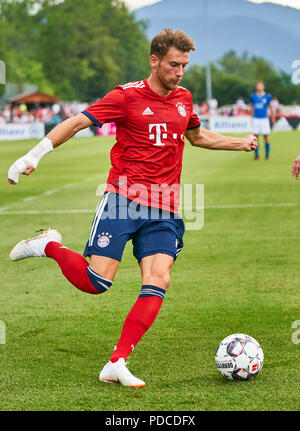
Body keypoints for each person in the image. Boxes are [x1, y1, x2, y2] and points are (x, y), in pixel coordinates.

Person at [7, 28, 257, 388]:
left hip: (164, 208)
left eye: (185, 65)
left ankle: (117, 361)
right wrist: (33, 156)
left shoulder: (184, 99)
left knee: (159, 279)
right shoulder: (125, 97)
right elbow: (78, 122)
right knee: (96, 282)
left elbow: (197, 136)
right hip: (123, 199)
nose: (180, 72)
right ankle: (49, 245)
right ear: (154, 61)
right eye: (174, 64)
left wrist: (239, 143)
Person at [249, 81, 275, 160]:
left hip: (264, 119)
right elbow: (251, 107)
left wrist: (273, 117)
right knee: (255, 138)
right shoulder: (253, 96)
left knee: (266, 137)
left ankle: (267, 155)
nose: (259, 86)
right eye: (258, 85)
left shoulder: (267, 96)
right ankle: (256, 155)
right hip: (256, 119)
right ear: (256, 87)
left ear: (264, 87)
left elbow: (270, 107)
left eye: (261, 85)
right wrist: (251, 117)